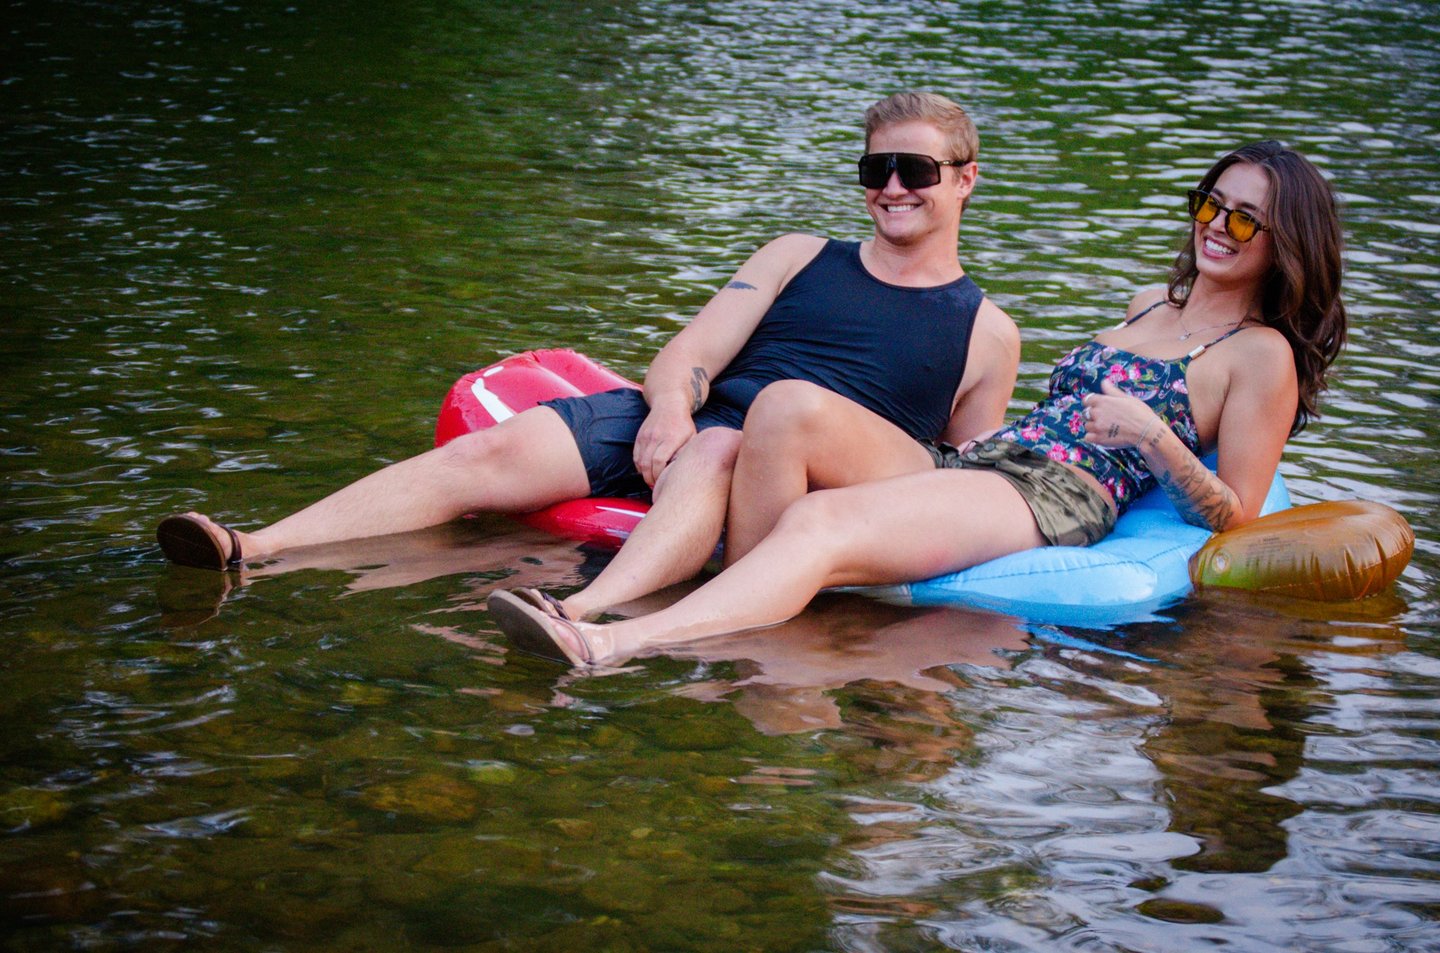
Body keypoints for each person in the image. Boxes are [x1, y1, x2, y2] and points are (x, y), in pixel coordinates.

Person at [156, 91, 1020, 626]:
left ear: (965, 179)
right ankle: (253, 544)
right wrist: (672, 412)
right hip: (697, 425)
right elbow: (691, 351)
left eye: (914, 168)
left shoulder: (987, 328)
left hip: (811, 467)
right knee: (492, 452)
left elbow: (954, 471)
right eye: (875, 168)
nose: (892, 187)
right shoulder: (797, 253)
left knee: (734, 438)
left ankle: (579, 613)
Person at [488, 139, 1348, 667]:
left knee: (818, 527)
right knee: (785, 405)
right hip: (987, 460)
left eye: (1243, 221)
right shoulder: (1144, 305)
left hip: (1055, 495)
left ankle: (614, 643)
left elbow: (1237, 518)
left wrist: (1158, 437)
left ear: (1284, 247)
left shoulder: (1259, 356)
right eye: (1210, 203)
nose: (1214, 226)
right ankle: (688, 609)